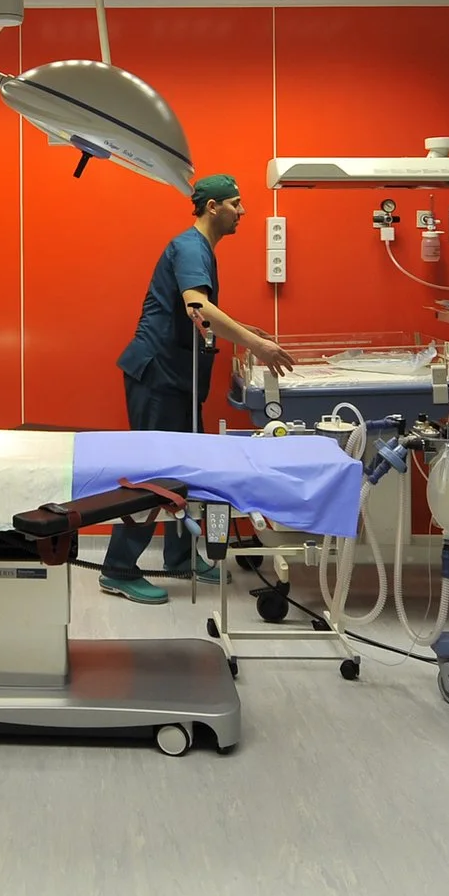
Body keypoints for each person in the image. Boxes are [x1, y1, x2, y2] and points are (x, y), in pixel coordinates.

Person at [103, 174, 295, 605]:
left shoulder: (199, 248)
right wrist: (257, 344)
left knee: (182, 470)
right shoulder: (191, 247)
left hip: (177, 378)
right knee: (153, 475)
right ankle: (117, 568)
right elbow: (197, 304)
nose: (243, 212)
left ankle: (179, 555)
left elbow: (201, 312)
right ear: (213, 207)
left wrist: (245, 329)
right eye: (236, 204)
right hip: (158, 377)